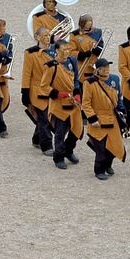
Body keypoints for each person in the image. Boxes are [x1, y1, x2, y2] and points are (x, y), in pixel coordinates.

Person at [81, 57, 126, 180]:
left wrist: (123, 112)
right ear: (97, 70)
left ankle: (108, 165)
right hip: (98, 119)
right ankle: (99, 170)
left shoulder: (115, 79)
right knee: (100, 148)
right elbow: (86, 103)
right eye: (103, 68)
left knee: (114, 145)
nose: (106, 70)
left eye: (107, 67)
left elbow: (119, 98)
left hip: (112, 118)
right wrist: (92, 118)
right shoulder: (89, 82)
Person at [41, 37, 83, 170]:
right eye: (64, 49)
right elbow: (44, 86)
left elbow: (76, 79)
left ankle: (68, 150)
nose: (67, 52)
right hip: (59, 103)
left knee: (77, 129)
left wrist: (77, 93)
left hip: (72, 101)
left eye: (68, 49)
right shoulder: (51, 66)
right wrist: (57, 94)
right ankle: (58, 157)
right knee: (60, 132)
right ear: (57, 51)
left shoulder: (72, 61)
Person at [22, 26, 54, 154]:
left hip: (51, 90)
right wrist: (25, 91)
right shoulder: (30, 53)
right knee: (44, 117)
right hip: (37, 90)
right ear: (37, 37)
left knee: (45, 118)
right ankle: (47, 145)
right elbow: (26, 74)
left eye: (49, 35)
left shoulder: (55, 51)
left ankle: (36, 139)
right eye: (45, 35)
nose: (47, 38)